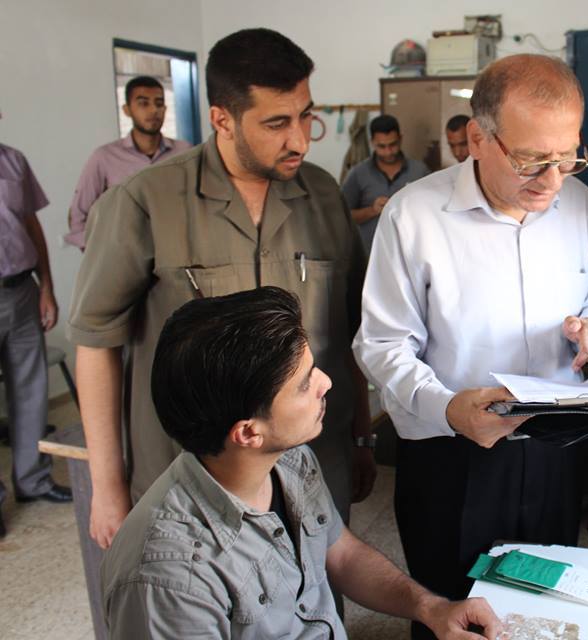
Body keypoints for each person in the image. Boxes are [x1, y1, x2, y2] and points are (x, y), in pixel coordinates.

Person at [353, 54, 588, 640]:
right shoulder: (415, 215)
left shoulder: (580, 204)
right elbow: (382, 344)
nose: (552, 181)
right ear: (477, 139)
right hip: (452, 455)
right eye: (532, 160)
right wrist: (447, 408)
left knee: (544, 615)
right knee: (452, 613)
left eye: (567, 158)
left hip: (556, 451)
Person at [68, 28, 373, 551]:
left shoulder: (323, 195)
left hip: (314, 464)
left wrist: (362, 438)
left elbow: (349, 333)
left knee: (320, 589)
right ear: (222, 119)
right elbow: (97, 343)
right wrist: (108, 486)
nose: (300, 140)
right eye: (276, 123)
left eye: (305, 115)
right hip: (192, 477)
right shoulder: (145, 202)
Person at [100, 286, 501, 639]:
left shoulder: (289, 458)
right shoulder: (168, 578)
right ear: (248, 433)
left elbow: (340, 553)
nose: (326, 383)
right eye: (305, 383)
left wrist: (432, 609)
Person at [0, 136, 72, 539]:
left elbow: (30, 224)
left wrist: (46, 285)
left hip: (21, 290)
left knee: (31, 387)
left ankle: (33, 480)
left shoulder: (13, 160)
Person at [65, 76, 192, 250]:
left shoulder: (185, 153)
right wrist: (98, 254)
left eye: (159, 103)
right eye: (143, 103)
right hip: (126, 255)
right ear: (127, 110)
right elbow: (78, 216)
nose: (153, 110)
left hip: (177, 252)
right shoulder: (105, 157)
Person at [341, 114, 430, 254]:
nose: (388, 152)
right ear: (372, 142)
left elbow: (431, 213)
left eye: (393, 145)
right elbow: (343, 216)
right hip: (370, 256)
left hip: (411, 254)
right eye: (381, 146)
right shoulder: (358, 174)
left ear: (400, 139)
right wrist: (372, 210)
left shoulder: (419, 171)